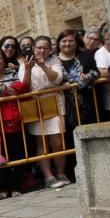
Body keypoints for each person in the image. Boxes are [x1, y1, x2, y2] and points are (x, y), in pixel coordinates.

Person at [20, 35, 70, 189]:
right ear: (33, 48)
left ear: (50, 49)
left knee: (57, 141)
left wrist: (43, 66)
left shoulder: (54, 61)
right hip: (35, 104)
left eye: (45, 48)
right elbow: (24, 86)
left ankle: (61, 172)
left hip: (54, 102)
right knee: (42, 142)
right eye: (39, 48)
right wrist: (28, 69)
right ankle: (48, 176)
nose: (42, 51)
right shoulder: (24, 64)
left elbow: (57, 79)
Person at [0, 46, 29, 199]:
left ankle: (16, 186)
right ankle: (2, 188)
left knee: (16, 154)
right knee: (0, 157)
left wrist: (5, 89)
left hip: (12, 120)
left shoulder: (11, 73)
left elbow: (20, 88)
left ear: (4, 59)